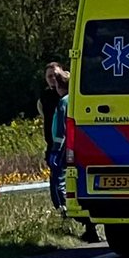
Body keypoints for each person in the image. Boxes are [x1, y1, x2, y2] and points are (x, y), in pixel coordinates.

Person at [50, 70, 99, 243]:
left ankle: (68, 216)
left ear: (59, 86)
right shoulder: (76, 99)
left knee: (59, 183)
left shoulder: (64, 102)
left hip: (63, 149)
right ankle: (90, 227)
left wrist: (56, 150)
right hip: (78, 147)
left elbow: (60, 130)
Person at [38, 62, 64, 212]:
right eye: (49, 76)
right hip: (52, 144)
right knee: (54, 179)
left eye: (56, 75)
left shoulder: (67, 95)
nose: (53, 79)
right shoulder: (45, 96)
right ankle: (59, 209)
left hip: (68, 144)